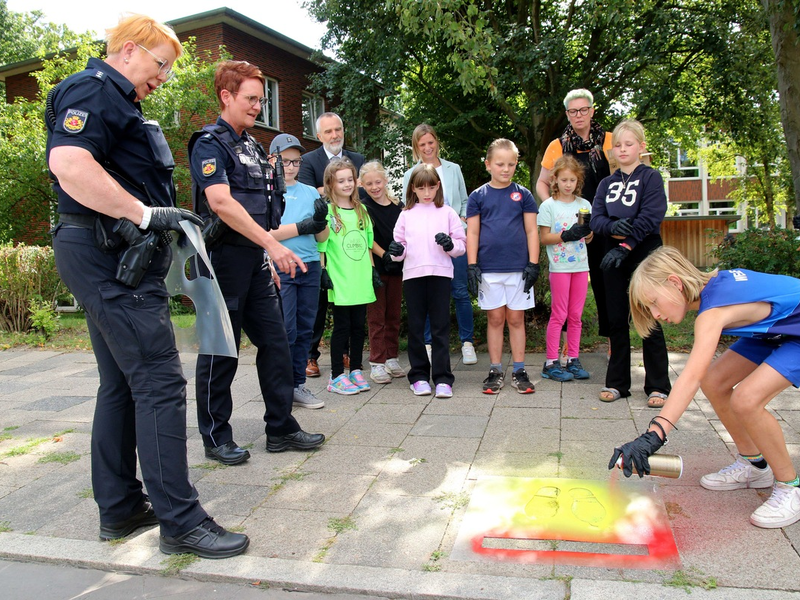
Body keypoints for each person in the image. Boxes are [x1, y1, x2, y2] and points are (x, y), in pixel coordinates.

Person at [47, 14, 248, 558]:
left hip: (106, 253)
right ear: (130, 49)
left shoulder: (117, 99)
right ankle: (181, 522)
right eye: (160, 65)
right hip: (109, 257)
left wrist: (165, 219)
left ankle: (120, 508)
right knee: (159, 381)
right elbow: (69, 163)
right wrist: (143, 214)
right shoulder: (95, 89)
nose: (162, 77)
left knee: (120, 382)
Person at [189, 60, 325, 464]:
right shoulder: (209, 144)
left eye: (261, 100)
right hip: (222, 261)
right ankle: (216, 437)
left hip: (254, 261)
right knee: (221, 350)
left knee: (276, 343)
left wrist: (264, 254)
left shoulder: (250, 146)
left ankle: (280, 428)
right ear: (226, 96)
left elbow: (261, 208)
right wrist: (272, 245)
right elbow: (220, 202)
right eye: (251, 99)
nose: (257, 107)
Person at [612, 246, 800, 529]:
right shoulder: (713, 287)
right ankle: (754, 465)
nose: (655, 313)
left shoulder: (713, 311)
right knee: (715, 381)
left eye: (653, 302)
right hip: (775, 330)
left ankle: (790, 488)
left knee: (747, 399)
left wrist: (655, 434)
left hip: (793, 331)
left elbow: (690, 376)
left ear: (674, 282)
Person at [590, 119, 671, 406]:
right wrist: (612, 227)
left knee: (649, 315)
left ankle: (658, 386)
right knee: (616, 317)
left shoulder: (651, 177)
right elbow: (596, 219)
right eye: (618, 145)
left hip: (644, 252)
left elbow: (651, 216)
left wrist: (627, 244)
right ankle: (617, 383)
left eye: (629, 144)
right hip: (612, 254)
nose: (622, 149)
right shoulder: (606, 183)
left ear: (641, 146)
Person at [536, 89, 614, 363]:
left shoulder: (610, 141)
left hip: (603, 224)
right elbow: (542, 183)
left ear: (592, 111)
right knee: (567, 291)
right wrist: (554, 207)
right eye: (573, 111)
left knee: (607, 285)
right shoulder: (557, 146)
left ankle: (613, 342)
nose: (578, 115)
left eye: (583, 109)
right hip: (569, 230)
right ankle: (568, 349)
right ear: (567, 114)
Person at [466, 139, 540, 395]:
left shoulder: (524, 195)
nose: (506, 169)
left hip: (519, 269)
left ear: (516, 163)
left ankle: (519, 370)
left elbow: (531, 231)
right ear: (488, 165)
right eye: (500, 164)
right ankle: (495, 370)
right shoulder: (477, 196)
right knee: (495, 318)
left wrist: (533, 263)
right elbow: (472, 233)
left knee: (516, 319)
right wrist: (472, 265)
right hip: (489, 269)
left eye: (511, 164)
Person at [386, 164, 466, 397]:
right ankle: (419, 376)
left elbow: (461, 245)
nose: (427, 192)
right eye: (421, 188)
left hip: (441, 275)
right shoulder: (406, 214)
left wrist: (450, 245)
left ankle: (443, 378)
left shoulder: (447, 212)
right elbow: (399, 247)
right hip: (413, 276)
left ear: (438, 186)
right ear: (413, 188)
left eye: (431, 187)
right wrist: (395, 251)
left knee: (441, 327)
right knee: (416, 328)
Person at [402, 124, 477, 366]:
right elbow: (408, 205)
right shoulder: (410, 174)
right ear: (416, 147)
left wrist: (461, 220)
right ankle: (428, 344)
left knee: (460, 291)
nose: (427, 148)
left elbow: (464, 200)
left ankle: (467, 343)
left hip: (453, 240)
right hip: (425, 246)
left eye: (430, 142)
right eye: (422, 144)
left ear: (437, 141)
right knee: (426, 296)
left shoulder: (453, 169)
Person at [299, 112, 365, 378]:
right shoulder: (308, 161)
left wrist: (327, 188)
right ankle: (310, 355)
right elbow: (306, 194)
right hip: (322, 239)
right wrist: (338, 188)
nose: (335, 135)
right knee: (318, 304)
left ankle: (346, 353)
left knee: (349, 307)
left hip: (351, 241)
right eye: (328, 131)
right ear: (319, 136)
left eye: (338, 129)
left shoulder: (358, 159)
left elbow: (363, 193)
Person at [268, 133, 329, 409]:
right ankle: (282, 386)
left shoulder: (310, 192)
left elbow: (322, 237)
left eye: (296, 161)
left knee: (306, 329)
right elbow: (266, 233)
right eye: (285, 161)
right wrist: (302, 227)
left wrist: (320, 221)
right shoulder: (267, 192)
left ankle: (297, 385)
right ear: (272, 160)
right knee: (287, 329)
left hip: (310, 265)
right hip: (282, 267)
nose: (291, 167)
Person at [319, 158, 377, 395]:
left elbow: (368, 243)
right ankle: (336, 376)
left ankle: (355, 369)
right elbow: (322, 245)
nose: (346, 184)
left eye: (350, 179)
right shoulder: (328, 212)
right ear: (330, 184)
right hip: (341, 278)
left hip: (361, 278)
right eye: (340, 180)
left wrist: (373, 269)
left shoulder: (362, 210)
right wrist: (322, 271)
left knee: (358, 327)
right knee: (342, 328)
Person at [538, 155, 593, 382]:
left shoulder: (584, 205)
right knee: (559, 314)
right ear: (555, 180)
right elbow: (544, 238)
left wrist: (586, 234)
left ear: (578, 181)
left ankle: (572, 359)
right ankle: (551, 362)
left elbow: (589, 237)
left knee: (575, 316)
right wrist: (566, 235)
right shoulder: (548, 206)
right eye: (564, 180)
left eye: (572, 180)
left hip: (580, 266)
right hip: (560, 268)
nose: (568, 184)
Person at [360, 161, 406, 384]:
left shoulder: (399, 206)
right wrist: (384, 255)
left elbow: (406, 233)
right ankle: (377, 362)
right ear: (362, 185)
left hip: (397, 267)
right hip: (376, 268)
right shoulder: (362, 208)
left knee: (393, 315)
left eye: (378, 182)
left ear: (386, 181)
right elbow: (366, 238)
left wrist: (398, 254)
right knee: (376, 316)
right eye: (369, 184)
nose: (375, 187)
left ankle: (391, 357)